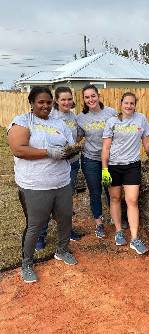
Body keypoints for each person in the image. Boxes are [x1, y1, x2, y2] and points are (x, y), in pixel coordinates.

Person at [7, 86, 77, 283]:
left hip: (61, 181)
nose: (45, 106)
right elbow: (18, 149)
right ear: (32, 103)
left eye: (48, 102)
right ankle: (27, 263)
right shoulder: (23, 121)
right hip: (35, 184)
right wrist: (48, 152)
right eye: (41, 102)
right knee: (35, 225)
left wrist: (71, 152)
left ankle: (62, 250)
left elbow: (69, 146)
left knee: (65, 219)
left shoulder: (59, 123)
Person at [101, 92, 149, 254]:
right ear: (121, 104)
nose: (129, 106)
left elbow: (146, 141)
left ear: (135, 105)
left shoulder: (141, 119)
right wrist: (104, 169)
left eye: (132, 103)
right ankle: (118, 231)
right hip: (114, 166)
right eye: (126, 103)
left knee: (132, 200)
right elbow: (106, 147)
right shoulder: (112, 121)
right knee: (115, 198)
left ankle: (135, 238)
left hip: (132, 165)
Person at [35, 86, 81, 250]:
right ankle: (41, 236)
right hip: (54, 165)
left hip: (72, 164)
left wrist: (73, 149)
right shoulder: (51, 116)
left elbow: (77, 135)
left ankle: (67, 231)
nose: (67, 102)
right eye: (63, 99)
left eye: (69, 99)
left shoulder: (73, 116)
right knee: (47, 201)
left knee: (65, 201)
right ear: (56, 100)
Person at [77, 84, 116, 238]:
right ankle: (99, 223)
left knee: (111, 189)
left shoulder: (111, 113)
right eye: (87, 97)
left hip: (110, 158)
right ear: (84, 100)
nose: (90, 99)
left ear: (98, 96)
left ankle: (115, 216)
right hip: (90, 159)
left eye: (93, 96)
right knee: (95, 191)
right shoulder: (80, 118)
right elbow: (78, 136)